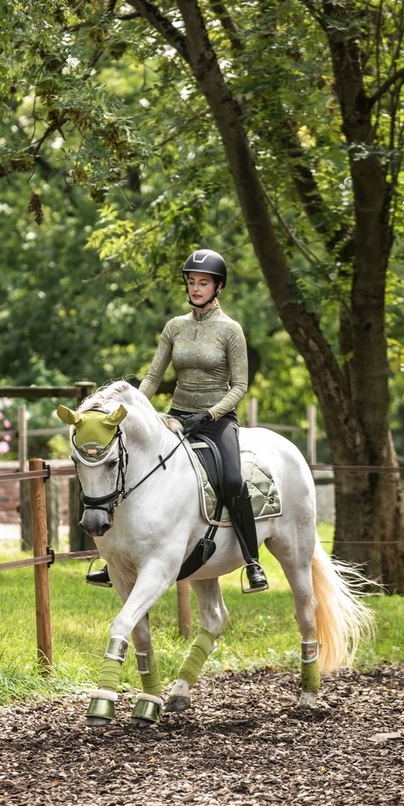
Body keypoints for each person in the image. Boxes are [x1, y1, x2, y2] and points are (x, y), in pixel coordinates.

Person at [87, 248, 269, 593]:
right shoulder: (175, 327)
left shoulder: (231, 330)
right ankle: (115, 561)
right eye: (191, 282)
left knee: (232, 479)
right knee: (129, 469)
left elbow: (241, 385)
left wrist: (212, 413)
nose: (196, 288)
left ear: (218, 287)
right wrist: (136, 408)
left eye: (203, 283)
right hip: (176, 418)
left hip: (217, 420)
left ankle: (252, 560)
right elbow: (154, 378)